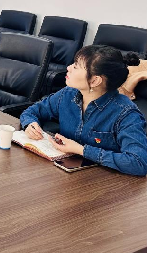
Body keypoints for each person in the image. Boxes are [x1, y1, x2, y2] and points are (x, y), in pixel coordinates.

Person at [20, 45, 147, 176]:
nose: (68, 68)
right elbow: (32, 111)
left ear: (95, 80)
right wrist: (30, 124)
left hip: (104, 182)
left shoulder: (126, 113)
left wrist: (82, 150)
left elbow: (139, 163)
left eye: (76, 66)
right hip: (65, 174)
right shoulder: (67, 94)